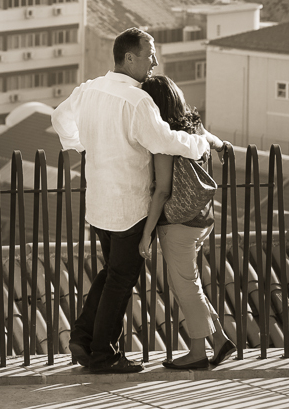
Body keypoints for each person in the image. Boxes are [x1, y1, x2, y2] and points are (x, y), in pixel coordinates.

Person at [51, 27, 224, 374]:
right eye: (150, 55)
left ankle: (84, 337)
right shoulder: (138, 100)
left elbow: (59, 117)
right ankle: (104, 354)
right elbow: (164, 141)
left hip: (99, 204)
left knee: (113, 273)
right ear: (129, 58)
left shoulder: (89, 89)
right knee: (121, 279)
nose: (155, 62)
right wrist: (203, 144)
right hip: (129, 207)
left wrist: (79, 143)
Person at [138, 74, 235, 370]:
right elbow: (215, 141)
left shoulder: (165, 138)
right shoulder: (194, 125)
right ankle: (219, 341)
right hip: (203, 219)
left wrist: (146, 234)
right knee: (191, 283)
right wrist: (222, 147)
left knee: (186, 286)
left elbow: (163, 190)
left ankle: (197, 352)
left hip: (177, 224)